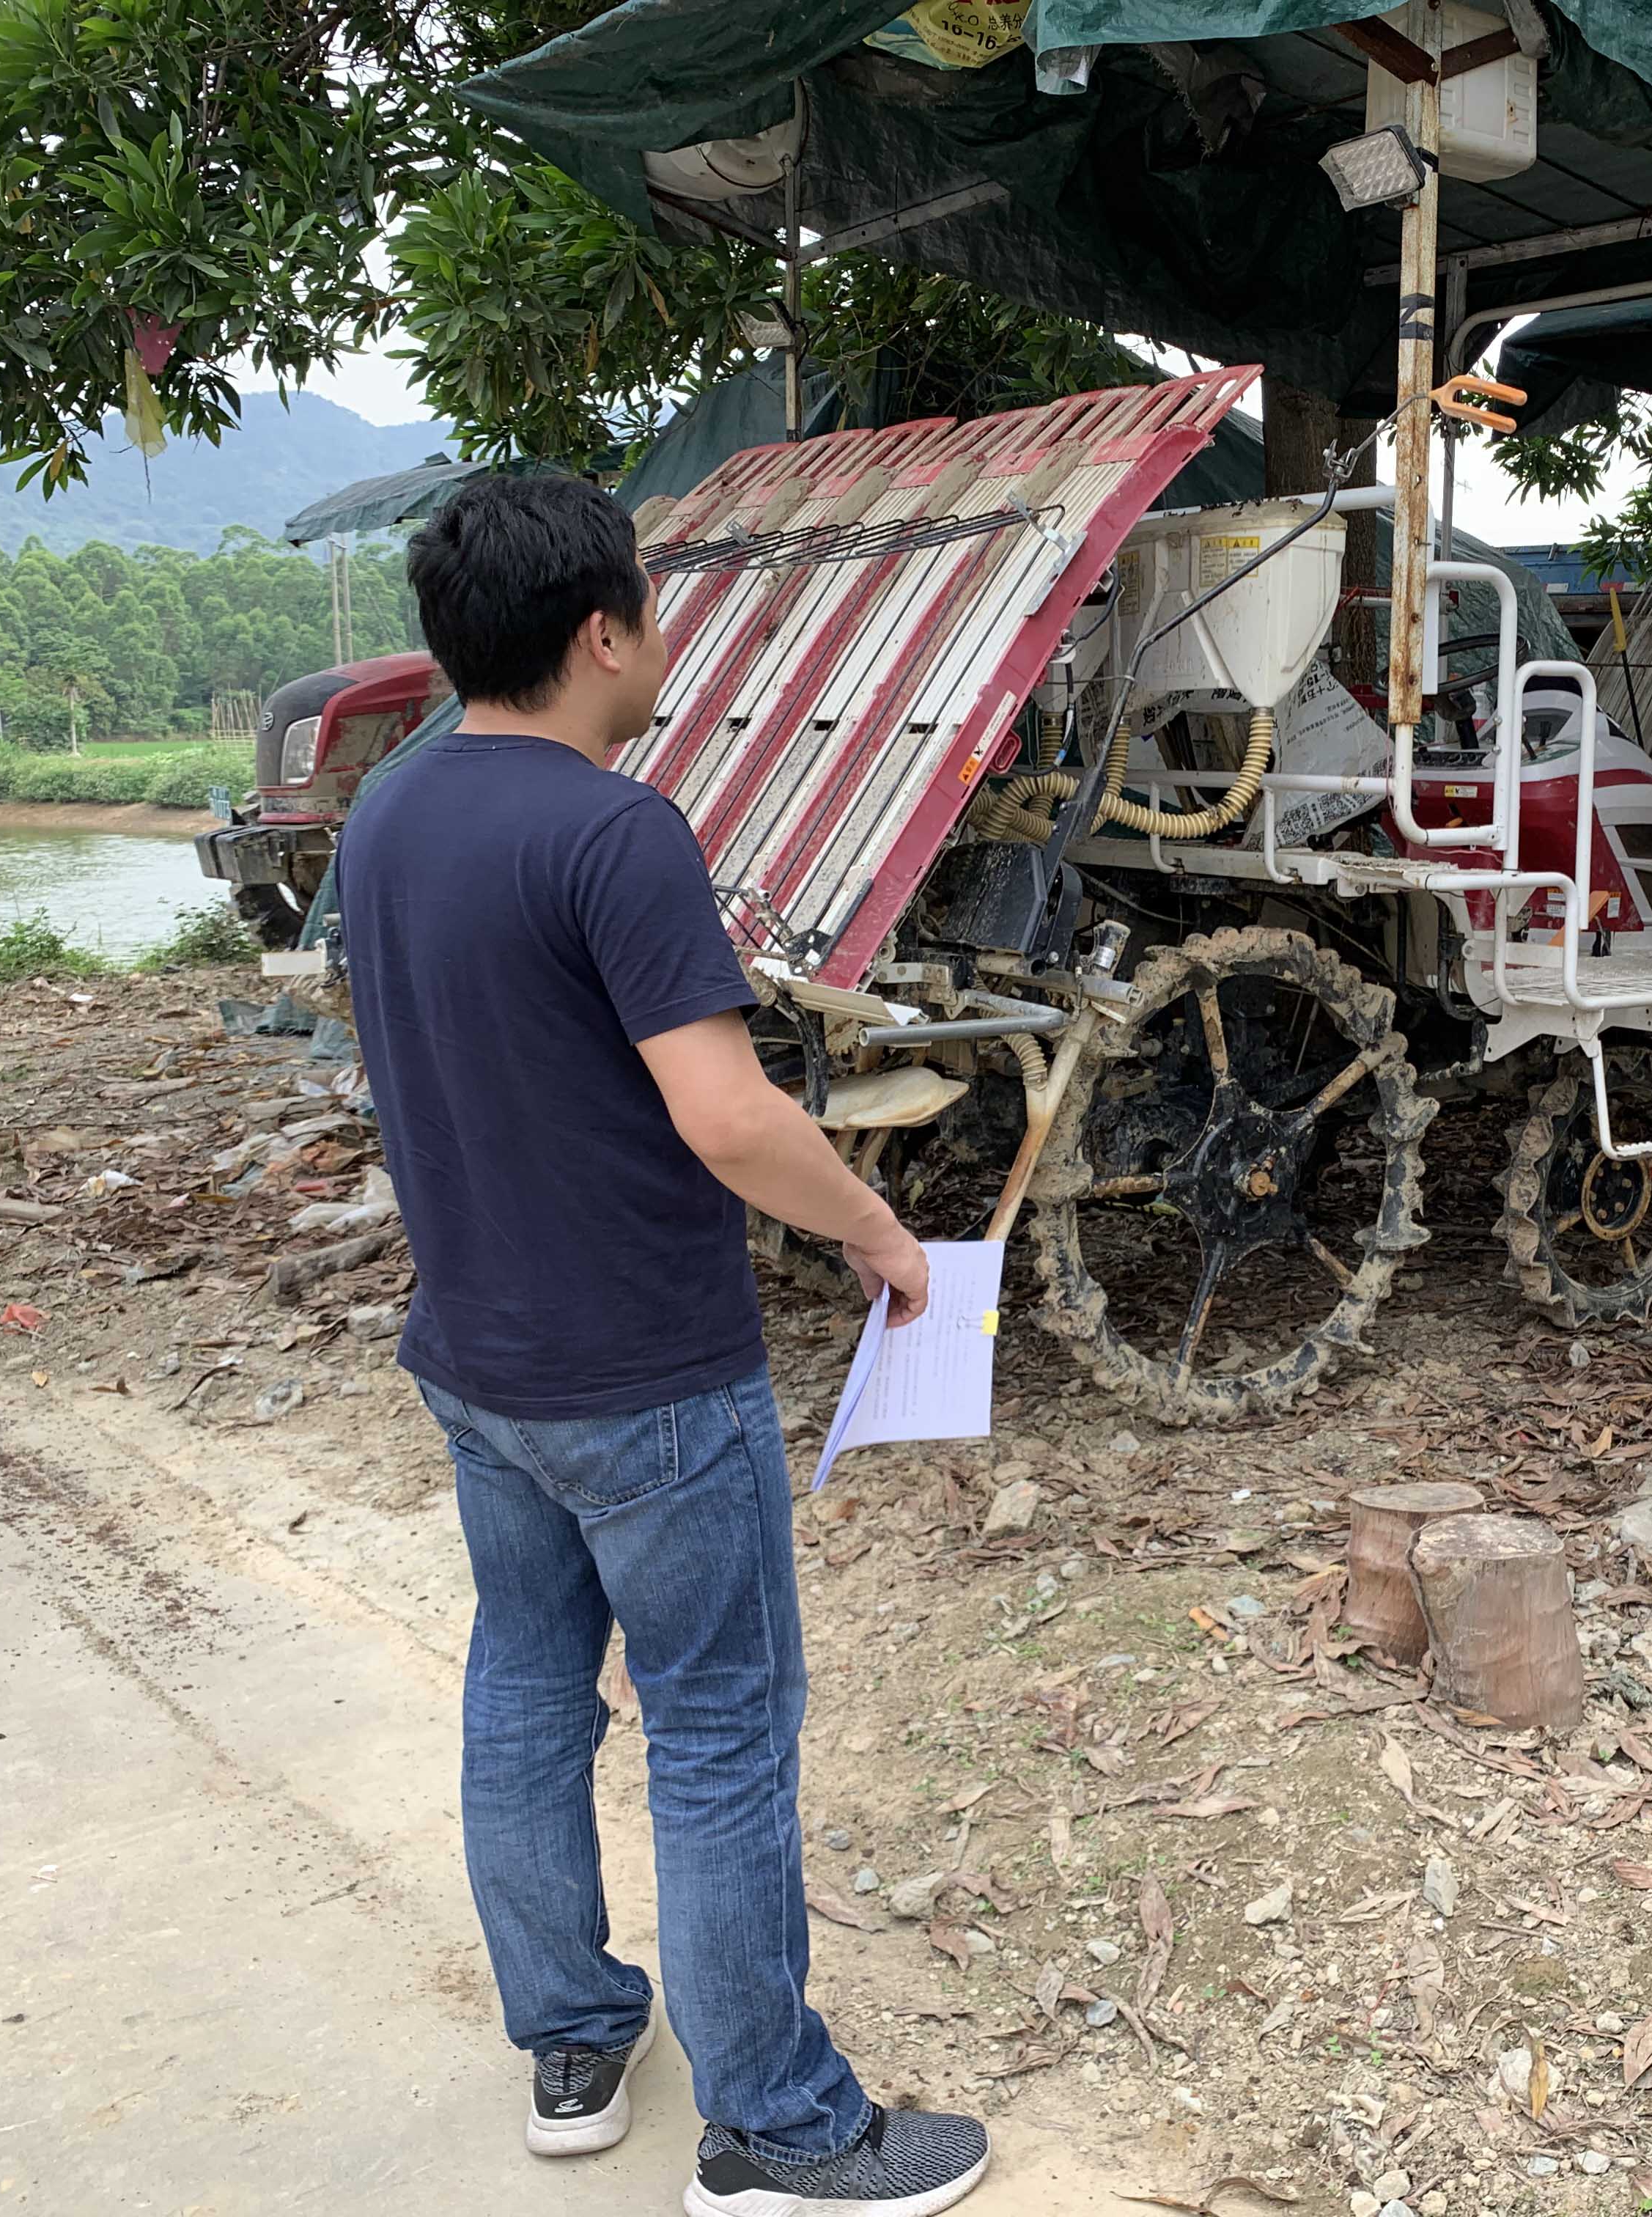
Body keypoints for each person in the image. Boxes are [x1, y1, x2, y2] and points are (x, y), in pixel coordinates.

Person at [341, 473, 990, 2217]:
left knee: (527, 1687)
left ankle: (570, 2041)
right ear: (599, 630)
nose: (661, 643)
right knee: (715, 1729)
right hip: (644, 1374)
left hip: (479, 1360)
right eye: (650, 611)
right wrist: (881, 1239)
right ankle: (778, 2131)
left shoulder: (385, 818)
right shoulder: (615, 829)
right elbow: (724, 1113)